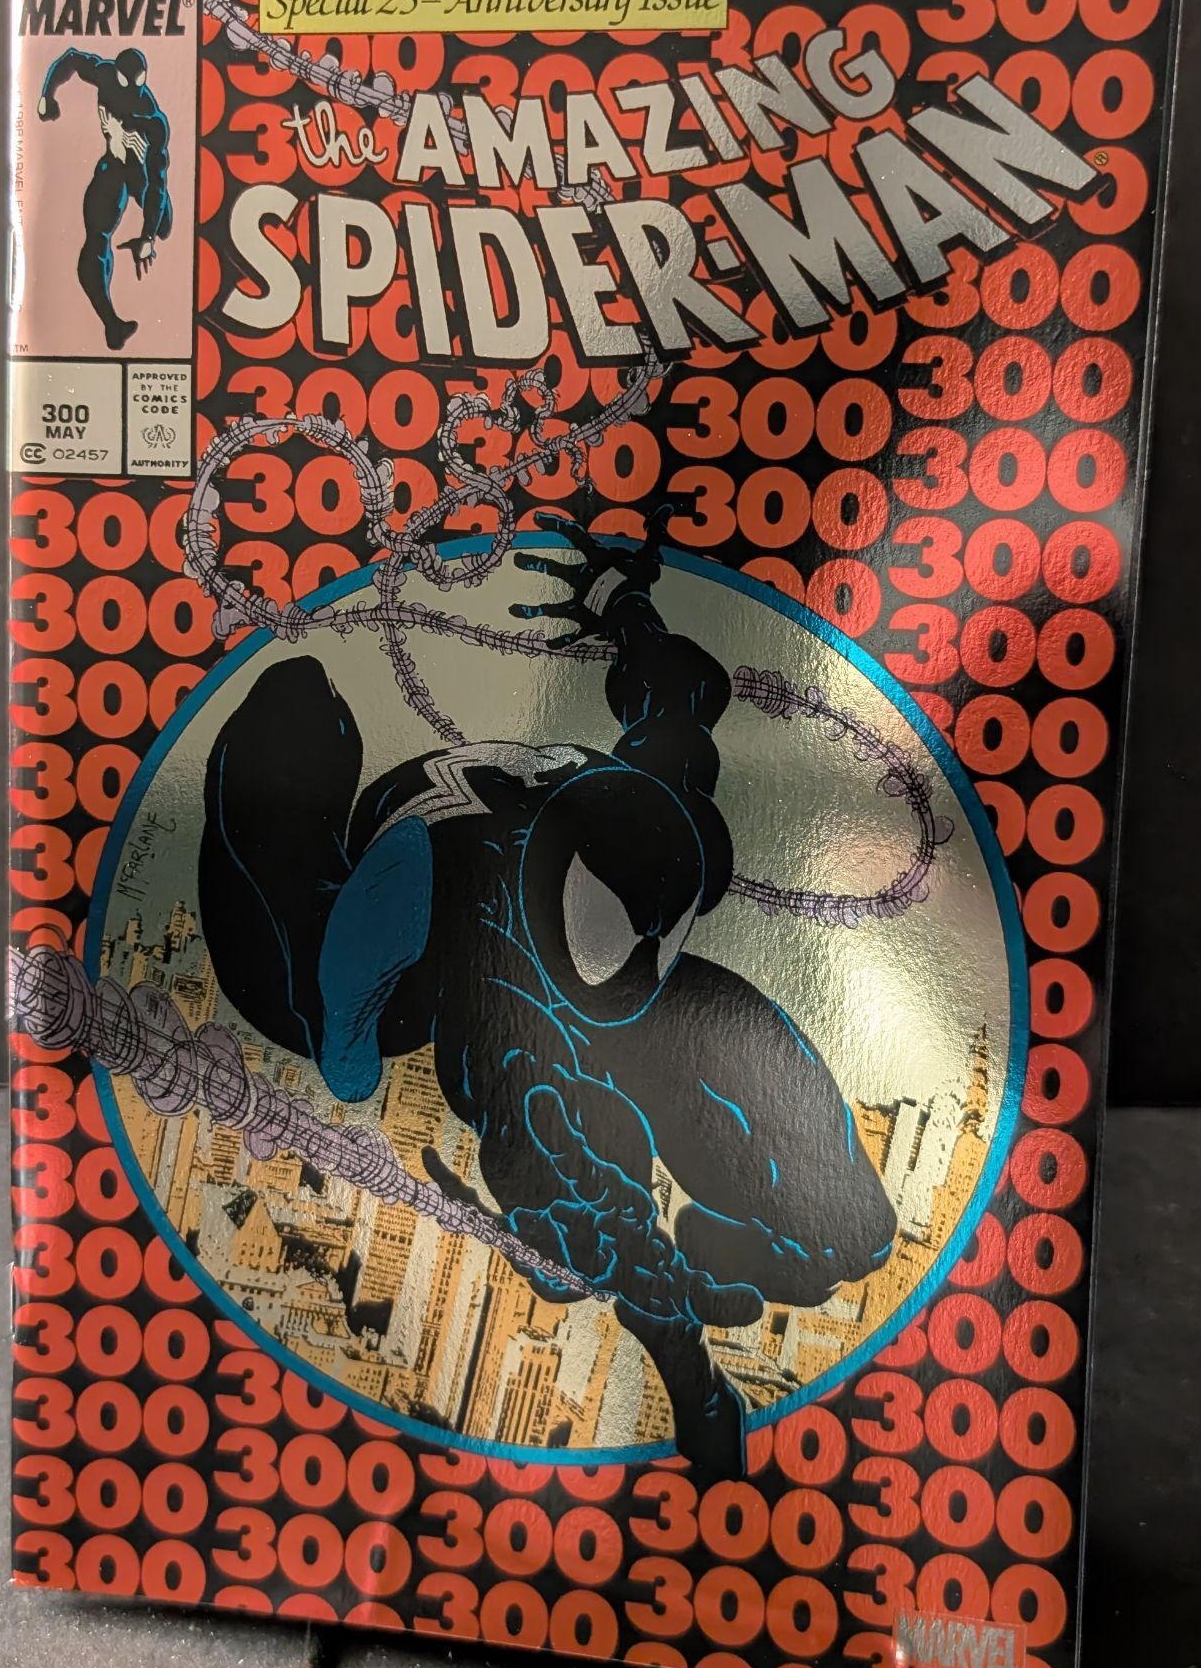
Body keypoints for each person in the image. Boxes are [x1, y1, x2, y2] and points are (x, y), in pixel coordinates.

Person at [197, 509, 897, 1479]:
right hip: (413, 921)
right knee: (327, 1003)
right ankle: (331, 984)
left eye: (656, 946)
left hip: (562, 922)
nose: (641, 968)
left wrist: (621, 601)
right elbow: (560, 1167)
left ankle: (739, 1240)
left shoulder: (664, 804)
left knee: (851, 1233)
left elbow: (676, 695)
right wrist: (688, 1369)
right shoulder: (465, 938)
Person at [36, 46, 173, 349]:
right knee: (96, 238)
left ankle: (152, 231)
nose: (130, 92)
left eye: (137, 84)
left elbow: (157, 182)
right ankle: (112, 323)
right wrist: (48, 95)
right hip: (113, 166)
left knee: (164, 226)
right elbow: (71, 58)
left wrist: (147, 235)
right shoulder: (105, 75)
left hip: (141, 173)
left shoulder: (153, 121)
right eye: (125, 83)